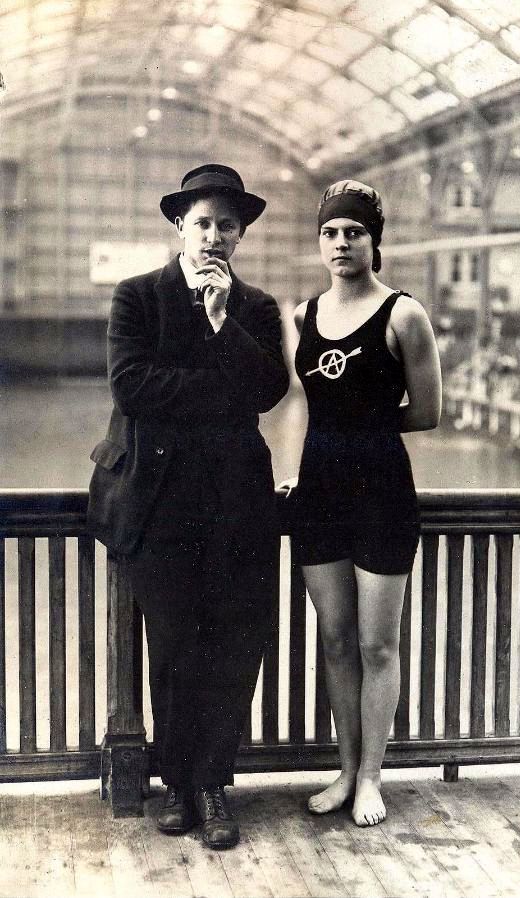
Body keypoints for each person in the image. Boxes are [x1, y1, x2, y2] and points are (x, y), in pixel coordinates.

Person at [87, 164, 289, 849]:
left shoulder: (255, 308)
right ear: (180, 225)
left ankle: (212, 785)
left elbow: (267, 392)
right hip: (157, 504)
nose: (213, 236)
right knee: (173, 646)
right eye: (202, 222)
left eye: (227, 226)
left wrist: (222, 322)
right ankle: (175, 782)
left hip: (237, 505)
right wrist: (219, 392)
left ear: (240, 235)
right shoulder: (137, 296)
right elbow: (131, 387)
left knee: (234, 644)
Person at [281, 180, 441, 827]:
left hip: (381, 493)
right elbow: (305, 406)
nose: (341, 243)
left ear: (375, 243)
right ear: (319, 243)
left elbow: (427, 412)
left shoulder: (404, 315)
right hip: (318, 493)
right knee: (336, 639)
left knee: (378, 646)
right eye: (330, 233)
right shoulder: (303, 316)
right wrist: (302, 466)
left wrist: (362, 429)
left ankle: (372, 776)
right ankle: (346, 771)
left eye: (354, 232)